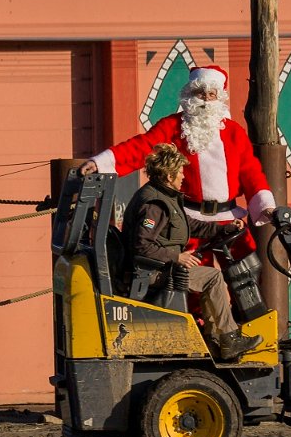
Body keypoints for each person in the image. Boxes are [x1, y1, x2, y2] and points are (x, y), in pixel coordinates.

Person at [80, 64, 275, 263]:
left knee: (247, 274)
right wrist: (101, 163)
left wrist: (265, 206)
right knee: (192, 283)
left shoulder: (235, 132)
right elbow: (141, 147)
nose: (205, 100)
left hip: (227, 217)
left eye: (211, 94)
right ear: (190, 94)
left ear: (219, 97)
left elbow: (251, 173)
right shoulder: (172, 127)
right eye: (200, 93)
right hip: (188, 220)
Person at [123, 143, 262, 361]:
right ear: (168, 175)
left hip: (161, 267)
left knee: (208, 278)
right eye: (179, 172)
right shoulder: (155, 204)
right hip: (153, 271)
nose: (183, 177)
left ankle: (214, 338)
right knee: (213, 277)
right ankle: (229, 337)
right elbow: (142, 245)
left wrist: (225, 227)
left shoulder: (166, 197)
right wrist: (176, 257)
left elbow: (192, 225)